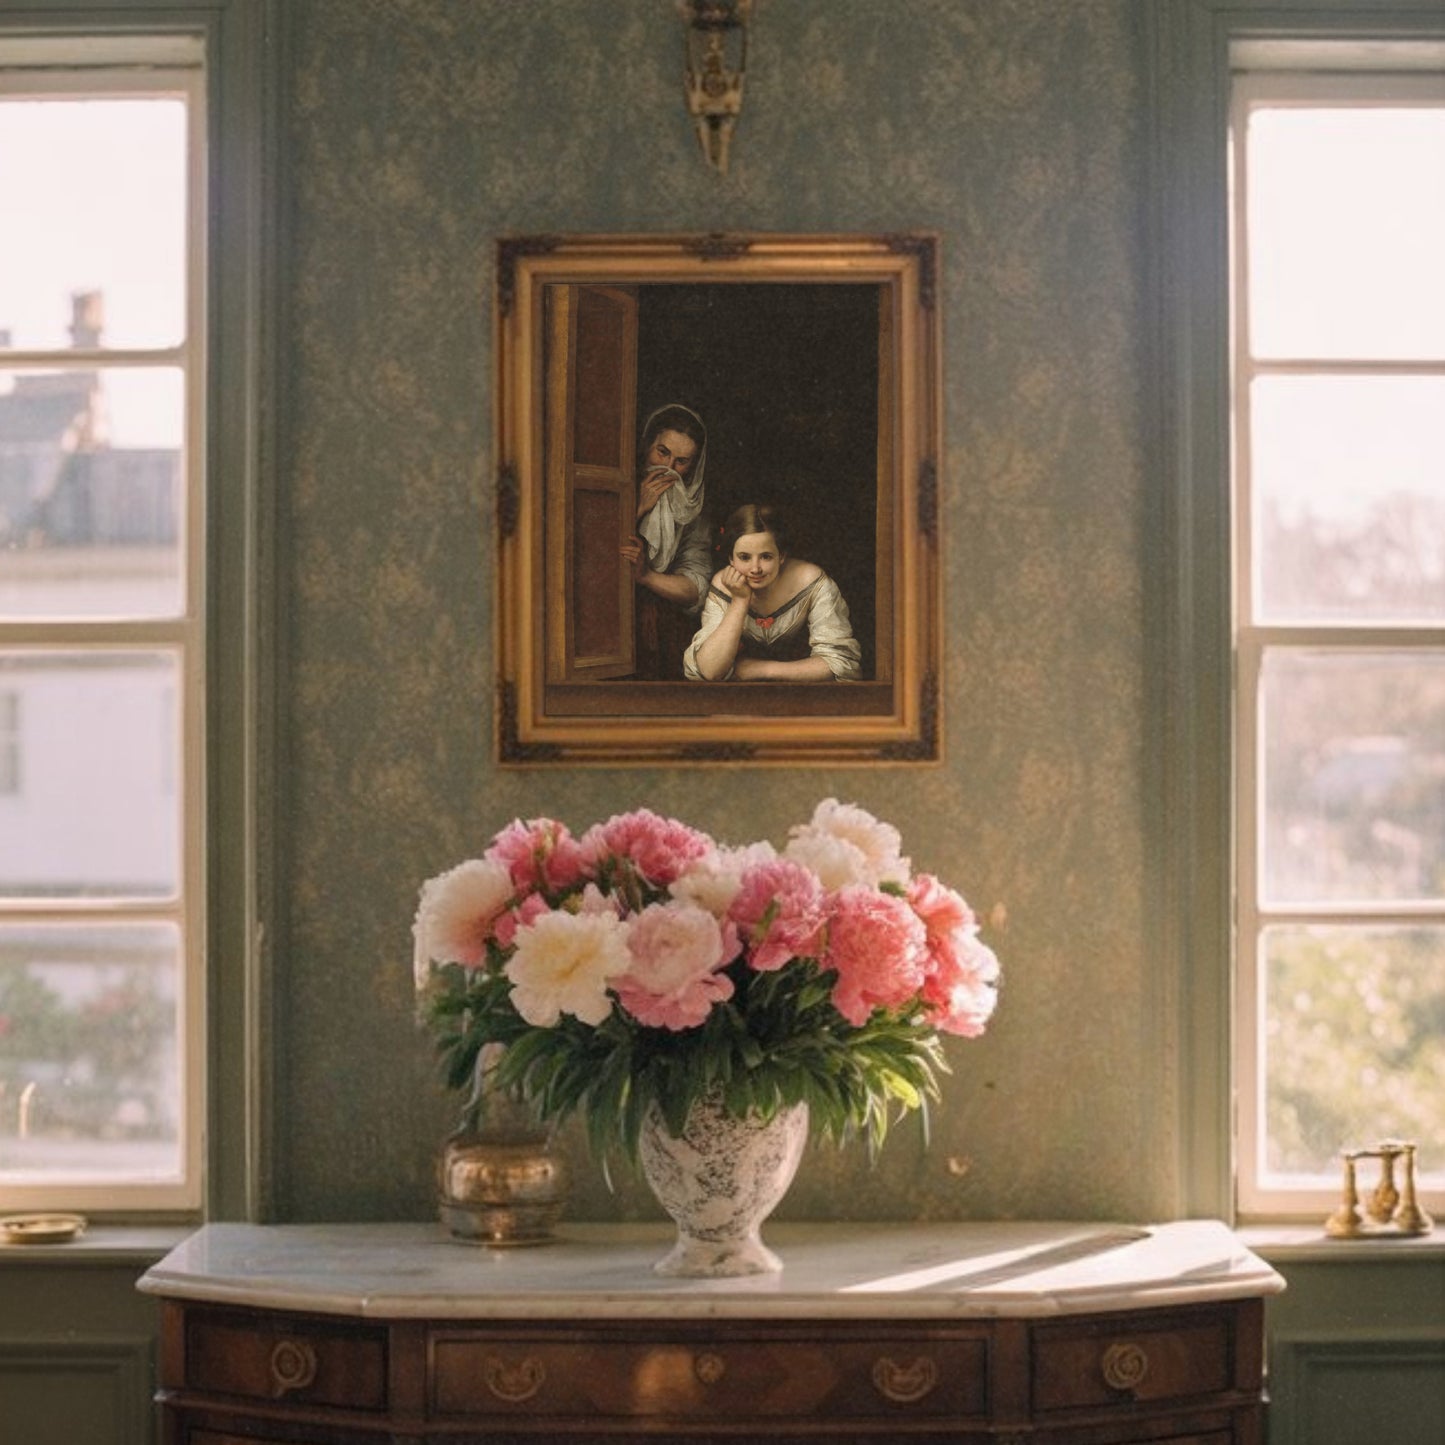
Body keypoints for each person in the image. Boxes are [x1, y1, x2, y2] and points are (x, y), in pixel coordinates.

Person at [684, 503, 862, 682]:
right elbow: (709, 670)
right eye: (744, 557)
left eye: (766, 557)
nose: (755, 569)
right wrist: (740, 600)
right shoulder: (724, 586)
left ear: (781, 556)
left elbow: (840, 663)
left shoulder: (812, 581)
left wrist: (761, 669)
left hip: (805, 695)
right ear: (731, 558)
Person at [620, 404, 713, 679]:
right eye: (662, 452)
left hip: (662, 626)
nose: (668, 468)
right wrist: (637, 509)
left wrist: (646, 575)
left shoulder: (692, 511)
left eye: (681, 462)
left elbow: (697, 587)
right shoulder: (617, 486)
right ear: (647, 443)